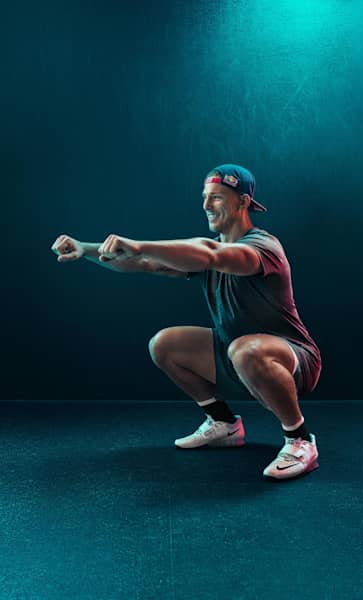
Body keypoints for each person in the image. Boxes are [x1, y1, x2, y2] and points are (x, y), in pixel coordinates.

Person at [50, 164, 322, 480]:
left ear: (243, 202)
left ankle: (300, 440)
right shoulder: (203, 254)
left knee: (245, 350)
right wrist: (86, 249)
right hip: (234, 355)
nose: (206, 206)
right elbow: (142, 262)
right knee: (165, 344)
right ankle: (224, 425)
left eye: (217, 197)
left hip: (292, 359)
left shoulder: (263, 247)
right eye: (205, 197)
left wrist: (139, 244)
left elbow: (210, 253)